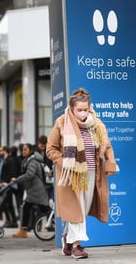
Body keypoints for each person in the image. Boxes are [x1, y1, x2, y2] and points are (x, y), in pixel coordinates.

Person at [46, 88, 117, 259]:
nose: (83, 113)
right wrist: (65, 163)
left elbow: (106, 145)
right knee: (76, 209)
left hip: (92, 173)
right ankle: (77, 246)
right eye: (79, 110)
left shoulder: (97, 125)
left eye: (85, 109)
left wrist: (110, 162)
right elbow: (51, 149)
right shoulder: (62, 122)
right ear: (72, 109)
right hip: (71, 175)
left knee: (82, 210)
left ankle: (67, 240)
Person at [10, 143, 49, 238]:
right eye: (22, 149)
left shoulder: (32, 161)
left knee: (32, 208)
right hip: (33, 189)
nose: (23, 151)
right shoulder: (29, 160)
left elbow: (30, 174)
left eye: (25, 149)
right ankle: (23, 230)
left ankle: (23, 230)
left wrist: (17, 179)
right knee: (40, 208)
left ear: (31, 150)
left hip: (36, 190)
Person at [0, 146, 19, 228]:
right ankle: (11, 220)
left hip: (8, 185)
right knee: (7, 203)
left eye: (1, 151)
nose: (0, 153)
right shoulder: (6, 160)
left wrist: (5, 182)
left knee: (6, 203)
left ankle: (11, 221)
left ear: (5, 151)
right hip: (5, 184)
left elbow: (11, 173)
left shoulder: (10, 160)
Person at [36, 135, 54, 200]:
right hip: (41, 178)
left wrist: (52, 170)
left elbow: (51, 162)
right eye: (41, 145)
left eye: (44, 145)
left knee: (50, 194)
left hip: (48, 177)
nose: (42, 147)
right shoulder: (35, 153)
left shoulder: (49, 151)